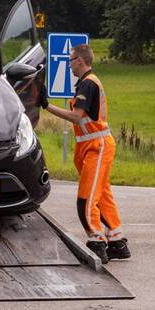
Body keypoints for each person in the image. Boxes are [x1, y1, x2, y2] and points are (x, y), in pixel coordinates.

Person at [40, 44, 129, 264]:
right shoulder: (87, 83)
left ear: (80, 60)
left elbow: (77, 116)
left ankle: (97, 242)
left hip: (96, 146)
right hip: (93, 145)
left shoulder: (88, 84)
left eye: (70, 60)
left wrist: (46, 105)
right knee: (103, 195)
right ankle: (117, 241)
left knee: (86, 199)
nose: (68, 64)